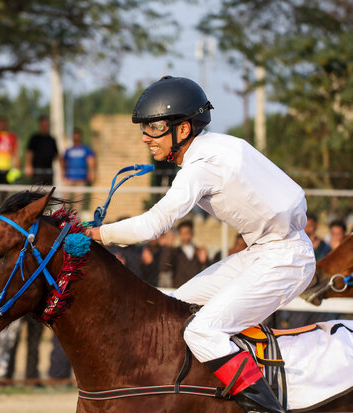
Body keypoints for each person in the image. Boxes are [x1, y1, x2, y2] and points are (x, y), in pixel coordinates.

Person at [87, 76, 314, 413]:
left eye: (155, 128)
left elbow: (155, 223)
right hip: (263, 252)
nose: (146, 137)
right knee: (171, 309)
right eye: (145, 129)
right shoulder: (215, 146)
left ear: (183, 130)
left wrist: (96, 234)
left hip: (286, 259)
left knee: (201, 332)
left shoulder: (202, 165)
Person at [162, 220, 209, 288]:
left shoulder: (199, 251)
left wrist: (204, 262)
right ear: (179, 234)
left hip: (196, 289)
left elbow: (208, 272)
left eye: (187, 233)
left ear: (192, 233)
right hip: (178, 290)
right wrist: (168, 247)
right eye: (182, 233)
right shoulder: (175, 252)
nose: (185, 236)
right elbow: (164, 268)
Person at [25, 115, 58, 185]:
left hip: (49, 171)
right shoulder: (34, 138)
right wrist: (28, 165)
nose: (45, 127)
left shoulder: (52, 140)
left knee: (48, 193)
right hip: (37, 171)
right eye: (43, 125)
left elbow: (57, 155)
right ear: (39, 125)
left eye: (46, 125)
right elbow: (29, 152)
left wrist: (63, 169)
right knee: (36, 193)